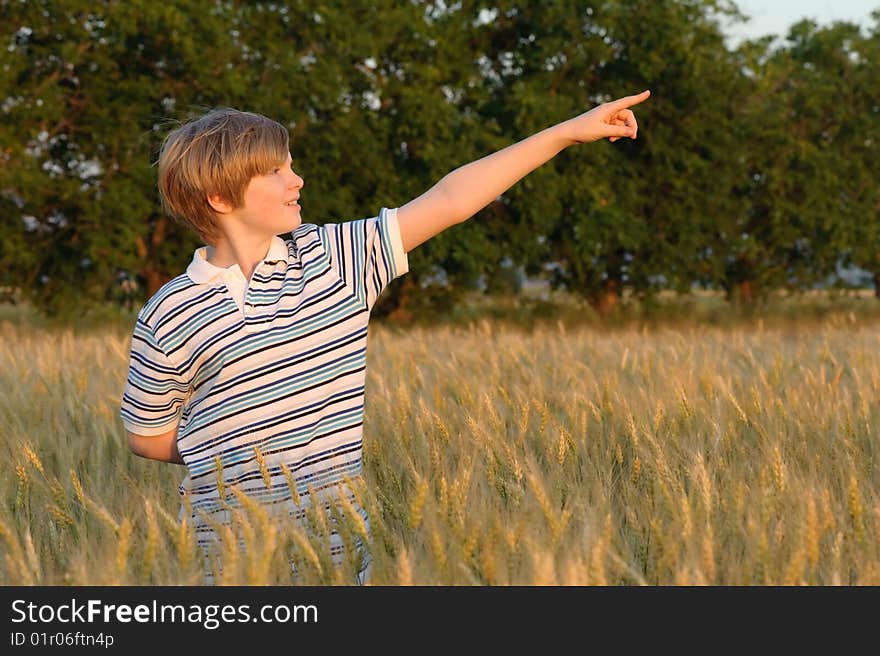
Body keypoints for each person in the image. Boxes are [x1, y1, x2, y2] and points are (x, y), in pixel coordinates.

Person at [119, 90, 650, 585]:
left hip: (338, 551)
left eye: (291, 165)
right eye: (277, 172)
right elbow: (146, 435)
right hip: (224, 558)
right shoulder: (170, 311)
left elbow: (450, 199)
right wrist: (235, 448)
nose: (297, 180)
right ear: (219, 196)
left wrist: (562, 133)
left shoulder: (334, 260)